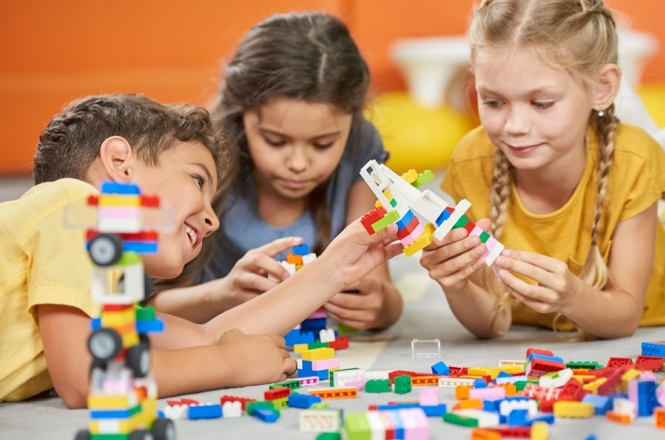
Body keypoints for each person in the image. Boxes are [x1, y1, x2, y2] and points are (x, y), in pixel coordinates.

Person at [0, 94, 401, 407]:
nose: (213, 221)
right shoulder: (75, 206)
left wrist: (334, 269)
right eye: (197, 180)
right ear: (120, 164)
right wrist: (230, 365)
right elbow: (91, 380)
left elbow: (208, 337)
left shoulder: (94, 286)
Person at [420, 0, 665, 340]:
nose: (515, 126)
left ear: (601, 88)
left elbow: (624, 317)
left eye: (542, 103)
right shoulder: (471, 159)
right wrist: (456, 284)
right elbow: (492, 323)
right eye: (493, 102)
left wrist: (573, 297)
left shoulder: (633, 160)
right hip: (605, 193)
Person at [149, 12, 403, 331]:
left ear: (350, 123)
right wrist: (222, 294)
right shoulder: (200, 158)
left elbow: (381, 289)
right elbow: (144, 309)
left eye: (323, 144)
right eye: (275, 141)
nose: (298, 163)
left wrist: (383, 306)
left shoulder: (360, 147)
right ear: (243, 117)